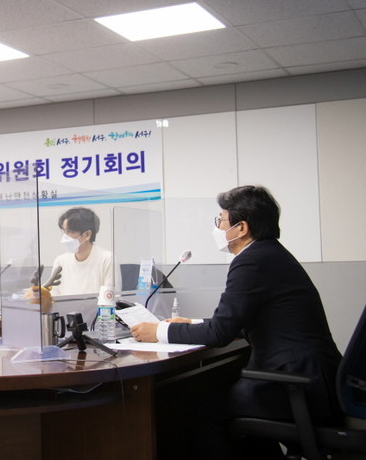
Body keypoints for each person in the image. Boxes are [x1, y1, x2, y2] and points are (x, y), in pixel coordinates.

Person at [131, 185, 342, 459]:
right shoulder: (271, 254)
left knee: (202, 411)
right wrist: (192, 322)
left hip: (299, 386)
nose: (217, 227)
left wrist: (160, 330)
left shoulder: (251, 261)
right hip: (314, 381)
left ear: (241, 228)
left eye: (220, 220)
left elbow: (220, 333)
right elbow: (240, 322)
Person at [49, 207, 113, 296]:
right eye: (64, 231)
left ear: (87, 234)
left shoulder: (107, 259)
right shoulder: (60, 261)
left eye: (70, 231)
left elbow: (112, 298)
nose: (65, 237)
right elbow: (53, 296)